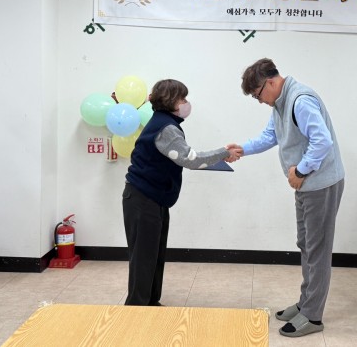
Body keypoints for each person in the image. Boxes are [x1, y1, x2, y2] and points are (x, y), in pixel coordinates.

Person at [228, 58, 345, 338]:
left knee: (317, 249)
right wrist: (243, 149)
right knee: (306, 244)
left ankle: (313, 316)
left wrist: (301, 170)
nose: (259, 101)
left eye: (257, 95)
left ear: (270, 82)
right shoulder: (280, 102)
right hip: (305, 185)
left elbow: (323, 141)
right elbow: (271, 135)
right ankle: (306, 303)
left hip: (320, 184)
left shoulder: (300, 101)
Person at [122, 79, 240, 306]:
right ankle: (136, 309)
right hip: (142, 199)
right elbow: (190, 159)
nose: (186, 103)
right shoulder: (166, 128)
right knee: (143, 259)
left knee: (154, 255)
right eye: (182, 98)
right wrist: (223, 152)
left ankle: (150, 303)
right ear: (170, 101)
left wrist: (220, 155)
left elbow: (184, 157)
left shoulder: (165, 123)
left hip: (152, 198)